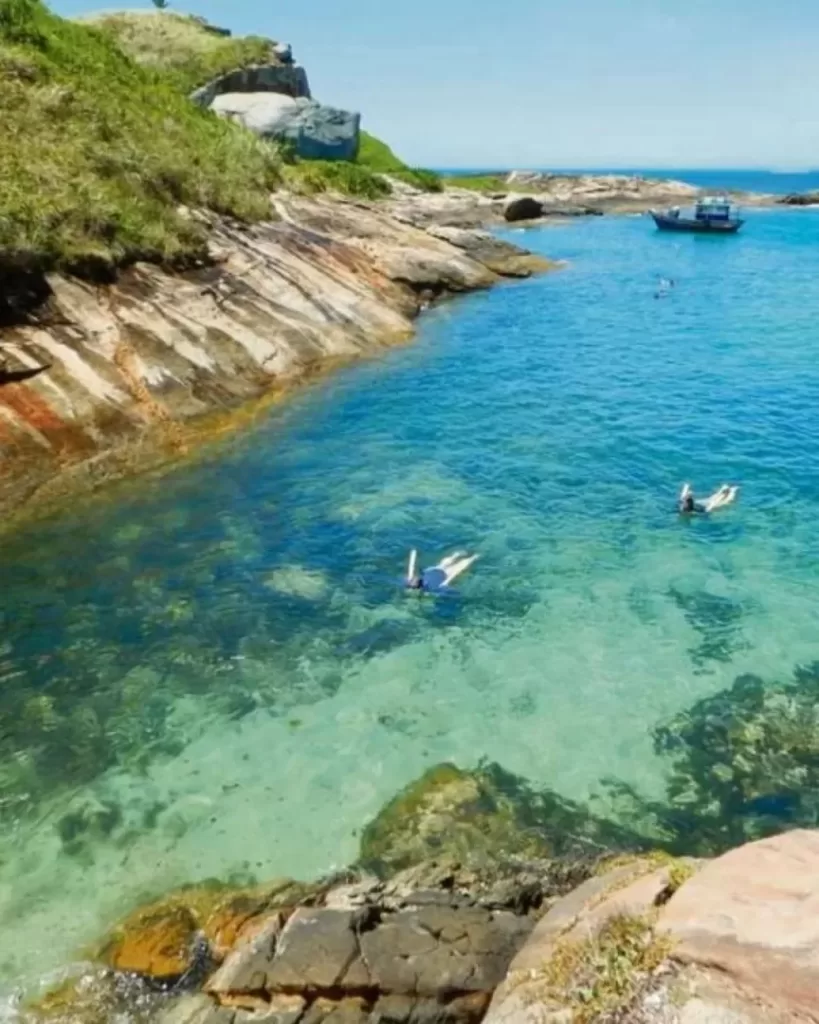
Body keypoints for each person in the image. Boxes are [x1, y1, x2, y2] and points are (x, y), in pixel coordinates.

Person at [405, 549, 479, 593]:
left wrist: (413, 554)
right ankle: (456, 555)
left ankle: (472, 557)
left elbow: (411, 566)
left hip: (441, 572)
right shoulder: (410, 579)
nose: (415, 577)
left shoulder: (428, 588)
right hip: (435, 570)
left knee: (457, 566)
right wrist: (413, 553)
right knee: (445, 564)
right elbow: (411, 566)